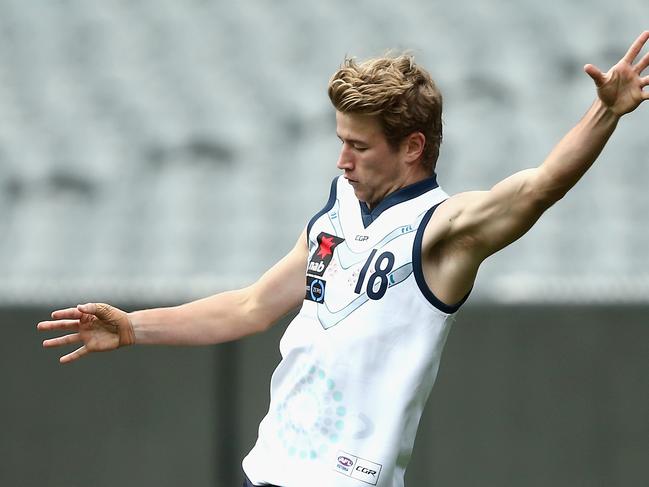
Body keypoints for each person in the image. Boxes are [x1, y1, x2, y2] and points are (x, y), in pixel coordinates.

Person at [38, 31, 649, 487]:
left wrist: (606, 112)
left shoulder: (442, 232)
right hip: (270, 469)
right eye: (340, 143)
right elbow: (252, 306)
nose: (342, 161)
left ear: (412, 147)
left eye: (358, 146)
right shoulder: (338, 211)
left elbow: (540, 186)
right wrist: (133, 327)